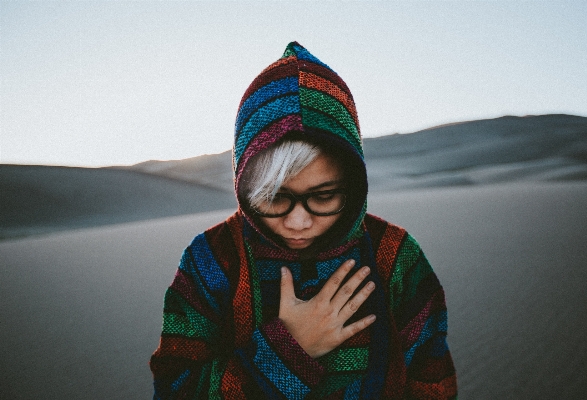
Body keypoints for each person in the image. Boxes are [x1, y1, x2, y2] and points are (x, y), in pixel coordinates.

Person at [150, 42, 457, 399]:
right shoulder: (212, 260)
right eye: (274, 197)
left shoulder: (396, 257)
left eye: (323, 196)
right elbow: (175, 389)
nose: (298, 222)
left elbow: (432, 382)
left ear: (353, 186)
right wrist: (289, 349)